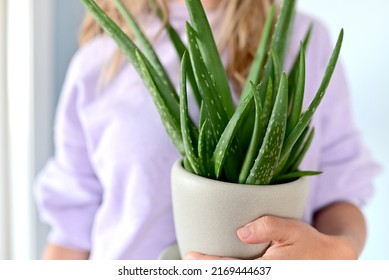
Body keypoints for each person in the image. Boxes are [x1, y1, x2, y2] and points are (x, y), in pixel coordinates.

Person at [34, 0, 380, 260]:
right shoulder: (99, 62)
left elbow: (340, 190)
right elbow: (71, 229)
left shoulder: (301, 39)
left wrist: (338, 252)